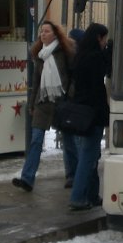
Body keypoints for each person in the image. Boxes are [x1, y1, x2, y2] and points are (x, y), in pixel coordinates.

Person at [13, 20, 74, 192]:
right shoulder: (39, 55)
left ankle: (72, 175)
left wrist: (70, 95)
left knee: (68, 140)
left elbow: (72, 76)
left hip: (61, 101)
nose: (43, 34)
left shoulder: (65, 52)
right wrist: (32, 104)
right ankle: (27, 178)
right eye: (41, 32)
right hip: (43, 102)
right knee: (36, 139)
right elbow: (36, 82)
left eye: (46, 31)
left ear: (55, 33)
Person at [68, 23, 111, 211]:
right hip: (92, 114)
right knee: (88, 156)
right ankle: (77, 197)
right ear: (97, 38)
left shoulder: (80, 57)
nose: (104, 43)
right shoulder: (95, 58)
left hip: (80, 113)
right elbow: (106, 70)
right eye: (104, 39)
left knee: (91, 155)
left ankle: (92, 195)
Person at [59, 27, 85, 189]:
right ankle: (72, 174)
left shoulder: (80, 58)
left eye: (73, 42)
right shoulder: (63, 56)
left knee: (73, 140)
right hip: (68, 102)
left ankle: (73, 174)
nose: (71, 45)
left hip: (74, 103)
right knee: (70, 140)